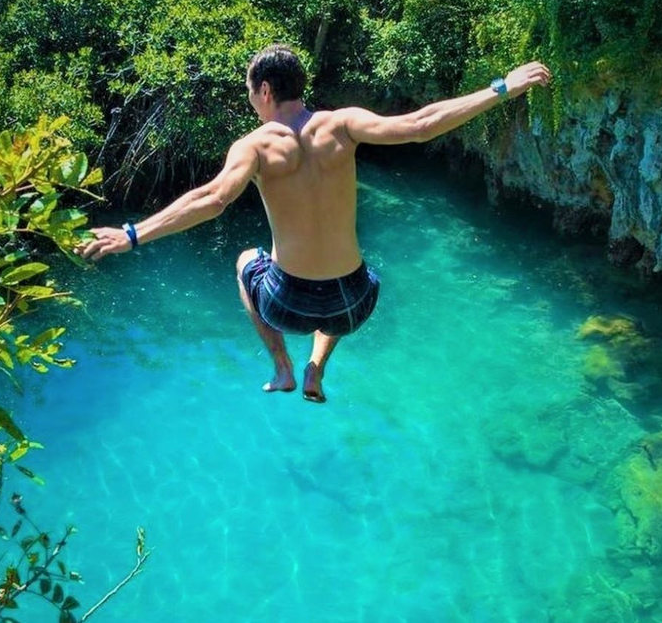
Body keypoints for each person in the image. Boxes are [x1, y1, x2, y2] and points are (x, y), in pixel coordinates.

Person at [78, 45, 551, 402]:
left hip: (286, 303)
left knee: (247, 259)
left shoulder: (256, 145)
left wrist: (133, 234)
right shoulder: (342, 124)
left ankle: (283, 365)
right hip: (353, 303)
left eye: (250, 94)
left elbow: (213, 199)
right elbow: (422, 124)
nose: (251, 103)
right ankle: (316, 369)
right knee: (360, 278)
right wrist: (503, 86)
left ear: (265, 90)